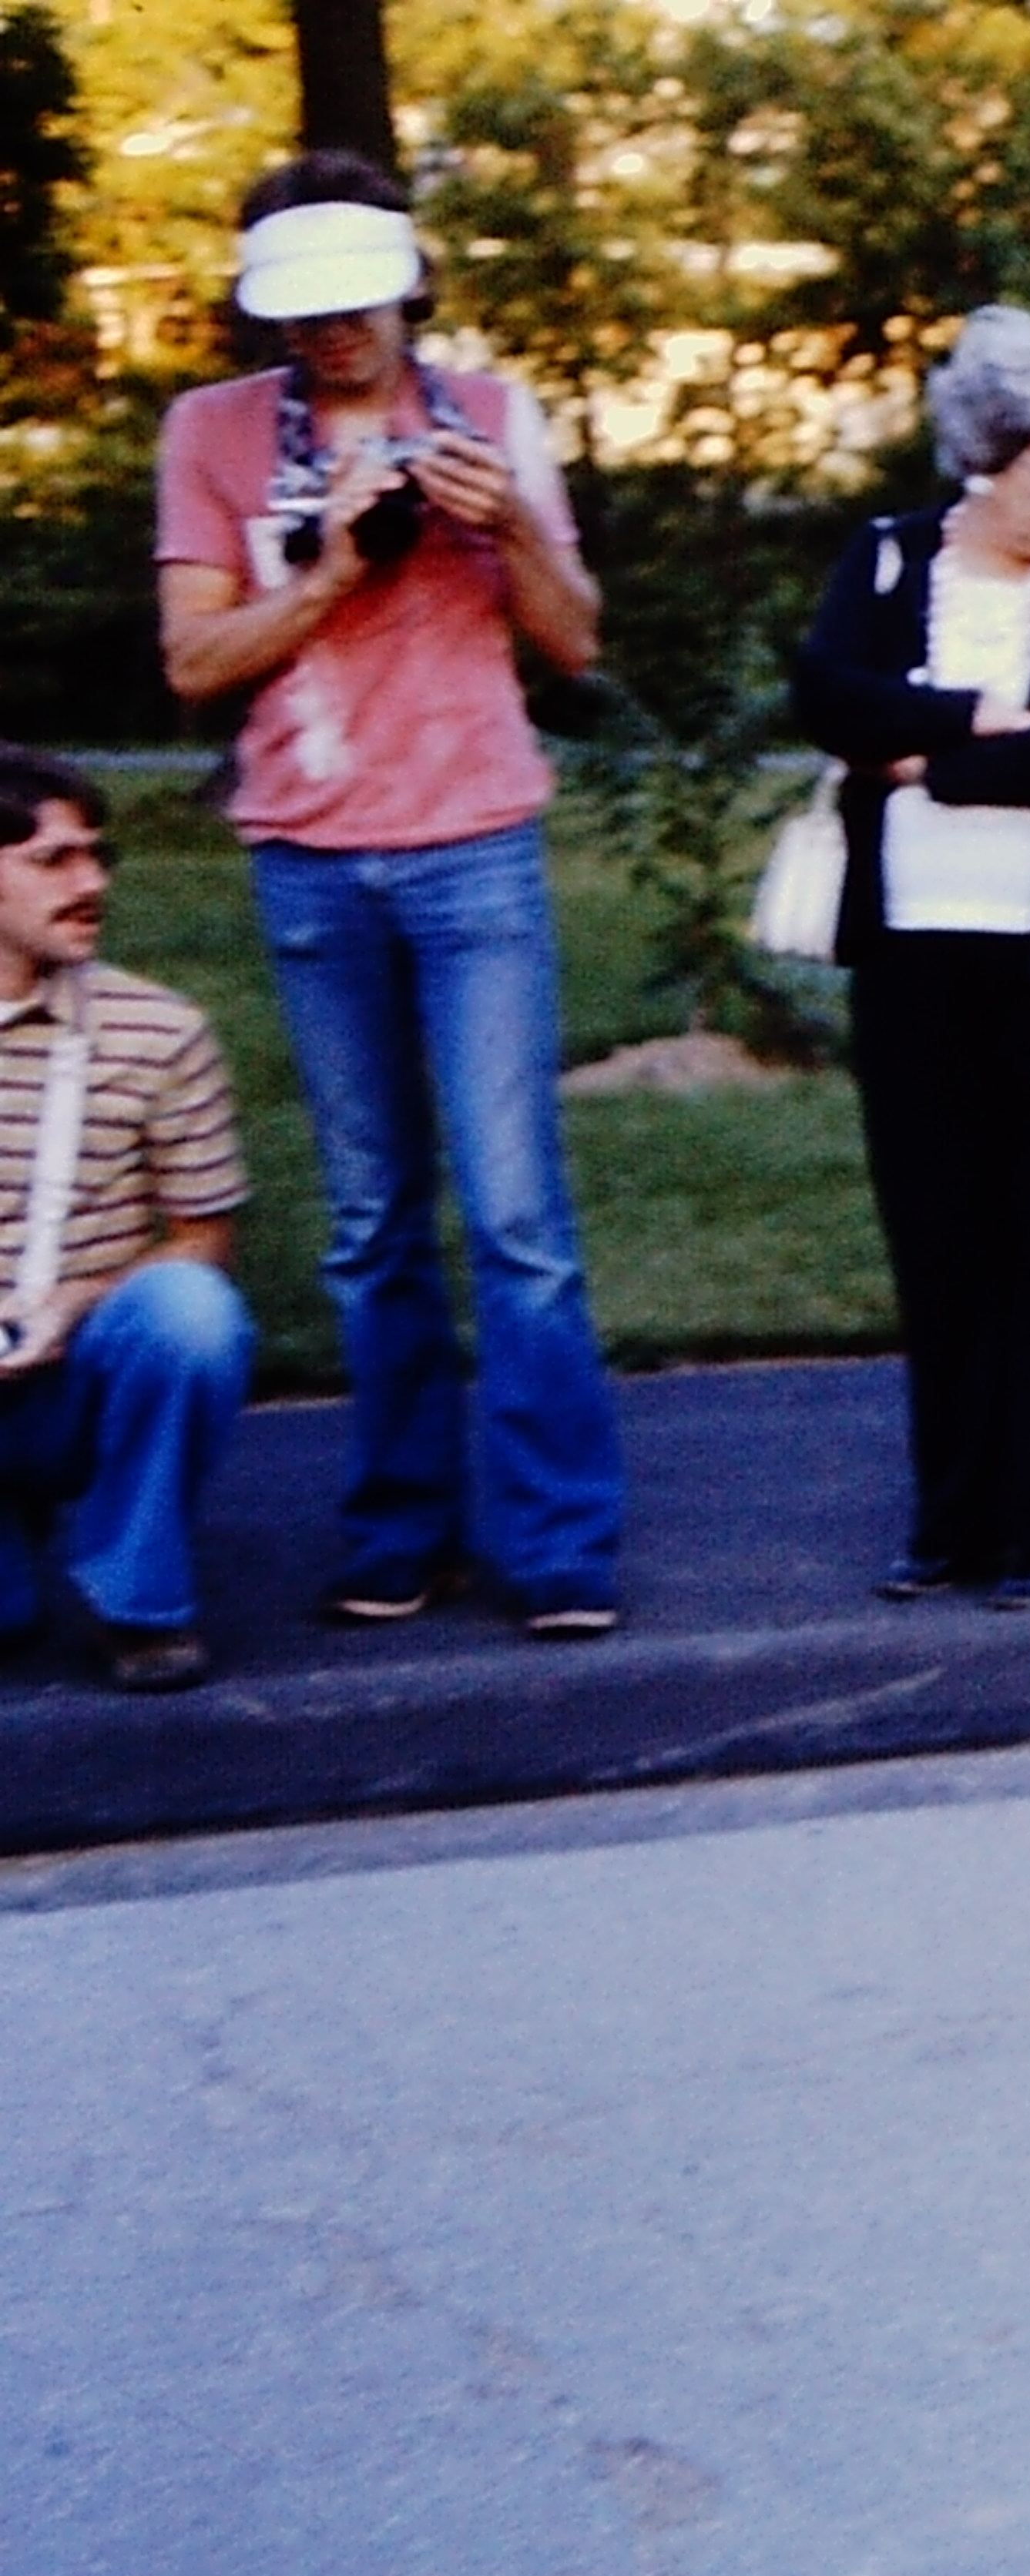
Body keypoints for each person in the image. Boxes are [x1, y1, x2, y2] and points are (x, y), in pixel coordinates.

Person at [153, 152, 622, 1639]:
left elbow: (575, 647)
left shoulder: (487, 414)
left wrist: (516, 532)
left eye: (356, 303)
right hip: (308, 844)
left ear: (409, 282)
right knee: (370, 1219)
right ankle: (399, 1522)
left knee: (517, 1216)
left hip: (474, 836)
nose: (332, 335)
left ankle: (555, 1542)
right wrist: (330, 573)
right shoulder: (214, 434)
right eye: (300, 312)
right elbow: (194, 665)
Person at [793, 306, 1030, 1607]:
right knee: (940, 1237)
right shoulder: (890, 562)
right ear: (985, 460)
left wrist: (919, 761)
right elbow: (826, 697)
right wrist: (977, 718)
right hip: (914, 958)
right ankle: (952, 1513)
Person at [0, 749, 255, 1692]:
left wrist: (78, 1299)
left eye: (96, 857)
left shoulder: (157, 1029)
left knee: (191, 1313)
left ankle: (138, 1598)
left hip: (78, 1374)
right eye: (54, 861)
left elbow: (206, 1241)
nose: (92, 883)